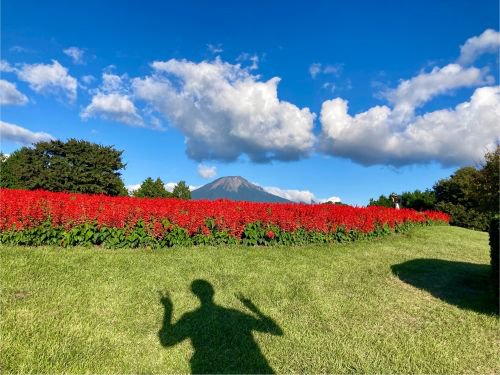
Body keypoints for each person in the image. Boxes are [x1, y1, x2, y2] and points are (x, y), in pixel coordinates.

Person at [158, 279, 283, 374]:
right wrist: (254, 309)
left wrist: (168, 309)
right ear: (212, 292)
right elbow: (277, 331)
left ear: (196, 295)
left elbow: (166, 341)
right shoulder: (235, 314)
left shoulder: (191, 317)